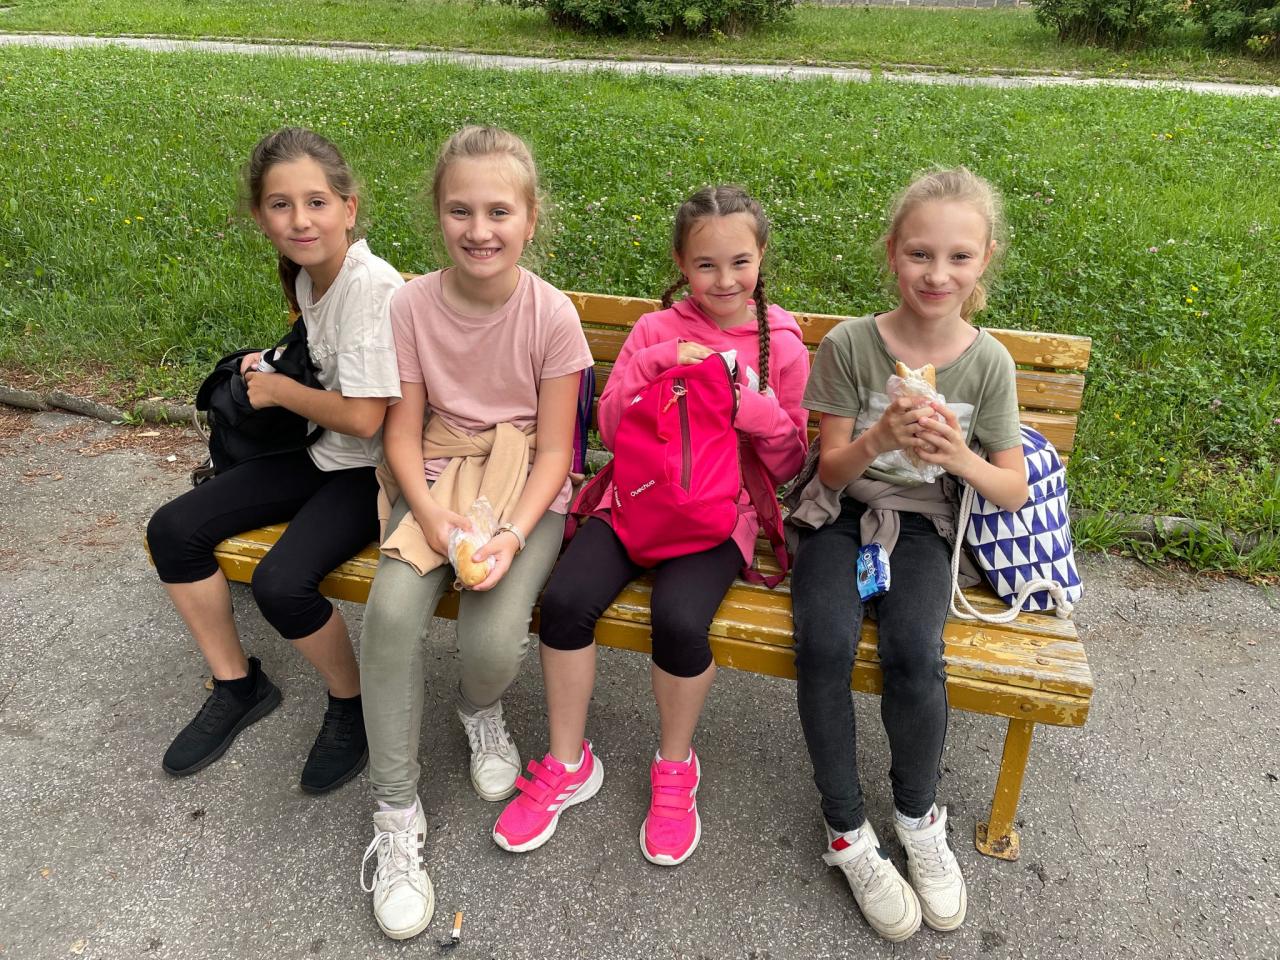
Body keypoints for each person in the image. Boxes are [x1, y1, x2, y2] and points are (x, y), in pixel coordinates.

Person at [493, 184, 810, 868]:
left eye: (740, 262)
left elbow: (790, 464)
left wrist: (752, 408)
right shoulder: (654, 330)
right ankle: (568, 761)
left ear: (761, 256)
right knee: (566, 601)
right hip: (636, 499)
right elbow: (609, 430)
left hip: (718, 514)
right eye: (705, 265)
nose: (724, 280)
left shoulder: (780, 343)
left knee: (679, 619)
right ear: (680, 263)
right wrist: (655, 364)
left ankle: (675, 765)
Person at [356, 126, 592, 941]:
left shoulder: (552, 315)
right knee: (390, 616)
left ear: (530, 220)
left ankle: (477, 709)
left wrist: (510, 537)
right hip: (436, 480)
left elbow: (557, 452)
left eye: (499, 211)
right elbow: (400, 434)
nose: (479, 229)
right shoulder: (410, 305)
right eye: (461, 210)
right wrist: (431, 517)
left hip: (525, 490)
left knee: (492, 644)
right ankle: (396, 815)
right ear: (438, 215)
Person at [786, 167, 1029, 941]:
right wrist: (879, 438)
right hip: (839, 516)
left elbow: (1012, 488)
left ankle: (918, 817)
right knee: (824, 644)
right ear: (892, 252)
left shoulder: (987, 364)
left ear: (985, 260)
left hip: (924, 527)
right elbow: (829, 472)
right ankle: (845, 830)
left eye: (959, 257)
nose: (937, 274)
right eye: (920, 254)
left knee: (916, 654)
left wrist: (957, 456)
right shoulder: (852, 345)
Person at [147, 127, 403, 793]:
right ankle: (238, 685)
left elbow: (368, 418)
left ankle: (352, 703)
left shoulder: (370, 287)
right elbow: (321, 359)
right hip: (317, 451)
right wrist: (273, 363)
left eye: (317, 202)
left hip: (373, 470)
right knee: (172, 531)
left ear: (348, 208)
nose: (300, 220)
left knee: (281, 583)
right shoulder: (312, 277)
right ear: (261, 217)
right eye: (280, 205)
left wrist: (281, 391)